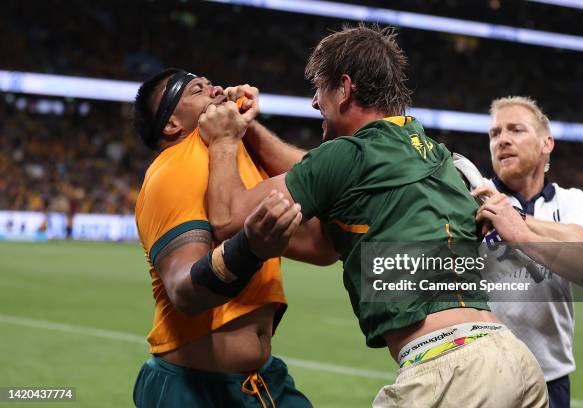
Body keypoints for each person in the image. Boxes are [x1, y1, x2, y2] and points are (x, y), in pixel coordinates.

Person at [200, 25, 547, 407]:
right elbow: (322, 243)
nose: (316, 103)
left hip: (451, 371)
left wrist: (224, 139)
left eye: (319, 88)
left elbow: (228, 218)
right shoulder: (437, 155)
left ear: (345, 88)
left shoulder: (349, 155)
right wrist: (249, 130)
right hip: (513, 361)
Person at [131, 68, 336, 407]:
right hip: (195, 390)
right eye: (197, 89)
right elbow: (186, 291)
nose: (216, 91)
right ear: (170, 124)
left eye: (212, 84)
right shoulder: (174, 169)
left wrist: (247, 126)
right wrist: (249, 249)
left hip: (262, 381)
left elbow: (319, 245)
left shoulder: (233, 158)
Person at [471, 96, 583, 408]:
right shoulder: (472, 197)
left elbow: (581, 247)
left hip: (550, 378)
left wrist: (518, 225)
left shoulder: (572, 201)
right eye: (495, 133)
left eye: (516, 130)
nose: (503, 140)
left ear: (546, 144)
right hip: (483, 375)